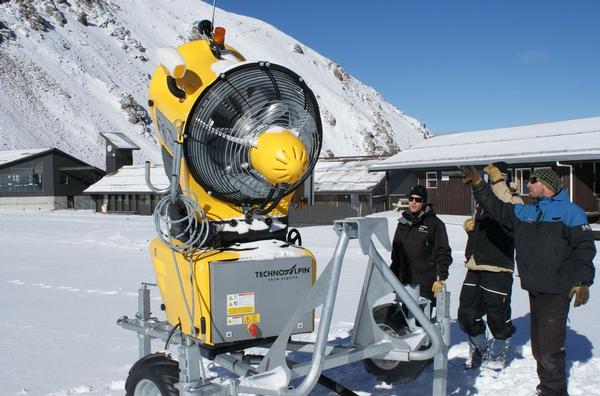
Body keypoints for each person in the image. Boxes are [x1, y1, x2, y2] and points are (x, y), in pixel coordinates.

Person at [461, 166, 595, 396]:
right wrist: (478, 185)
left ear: (547, 185)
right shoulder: (528, 212)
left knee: (549, 348)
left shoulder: (572, 212)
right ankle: (547, 388)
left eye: (533, 181)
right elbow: (498, 209)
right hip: (535, 286)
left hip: (557, 289)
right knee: (539, 346)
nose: (528, 184)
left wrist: (582, 280)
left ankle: (553, 392)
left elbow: (584, 248)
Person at [459, 163, 523, 371]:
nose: (492, 179)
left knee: (497, 317)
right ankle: (479, 348)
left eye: (496, 176)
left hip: (498, 268)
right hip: (476, 265)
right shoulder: (483, 201)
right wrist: (472, 233)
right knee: (467, 314)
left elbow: (501, 214)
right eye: (491, 176)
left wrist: (495, 183)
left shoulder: (515, 201)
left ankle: (497, 353)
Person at [390, 185, 452, 305]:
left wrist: (441, 277)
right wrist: (392, 276)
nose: (413, 202)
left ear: (424, 202)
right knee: (402, 319)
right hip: (404, 282)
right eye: (411, 198)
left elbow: (443, 252)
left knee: (421, 321)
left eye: (418, 200)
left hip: (425, 284)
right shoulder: (402, 223)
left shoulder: (435, 224)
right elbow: (396, 255)